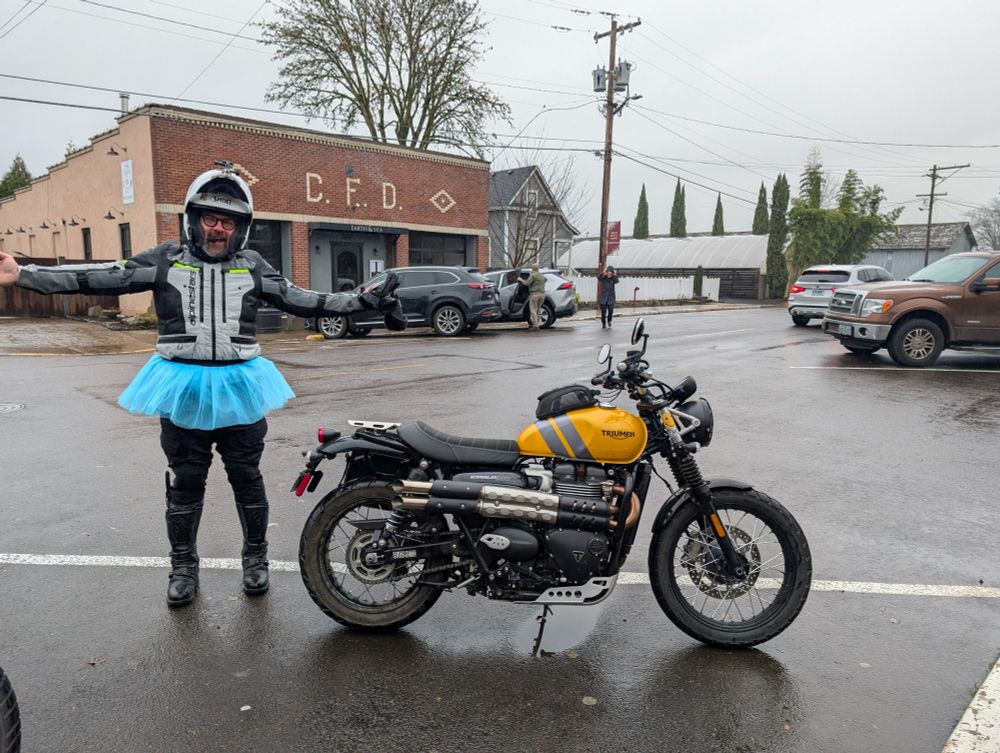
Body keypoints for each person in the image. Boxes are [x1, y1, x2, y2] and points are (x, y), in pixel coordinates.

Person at [0, 162, 405, 608]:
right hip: (183, 387)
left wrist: (362, 300)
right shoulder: (165, 260)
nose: (217, 229)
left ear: (240, 228)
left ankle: (256, 559)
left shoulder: (253, 265)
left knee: (247, 479)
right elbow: (98, 276)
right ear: (193, 219)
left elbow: (305, 299)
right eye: (210, 218)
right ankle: (183, 567)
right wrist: (24, 275)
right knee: (186, 482)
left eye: (227, 221)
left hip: (239, 388)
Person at [518, 262, 547, 331]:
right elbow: (544, 281)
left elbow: (527, 283)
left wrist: (520, 279)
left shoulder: (533, 275)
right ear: (538, 268)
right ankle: (537, 324)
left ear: (532, 268)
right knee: (538, 309)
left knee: (533, 310)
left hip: (535, 294)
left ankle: (535, 326)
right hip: (542, 294)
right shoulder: (541, 275)